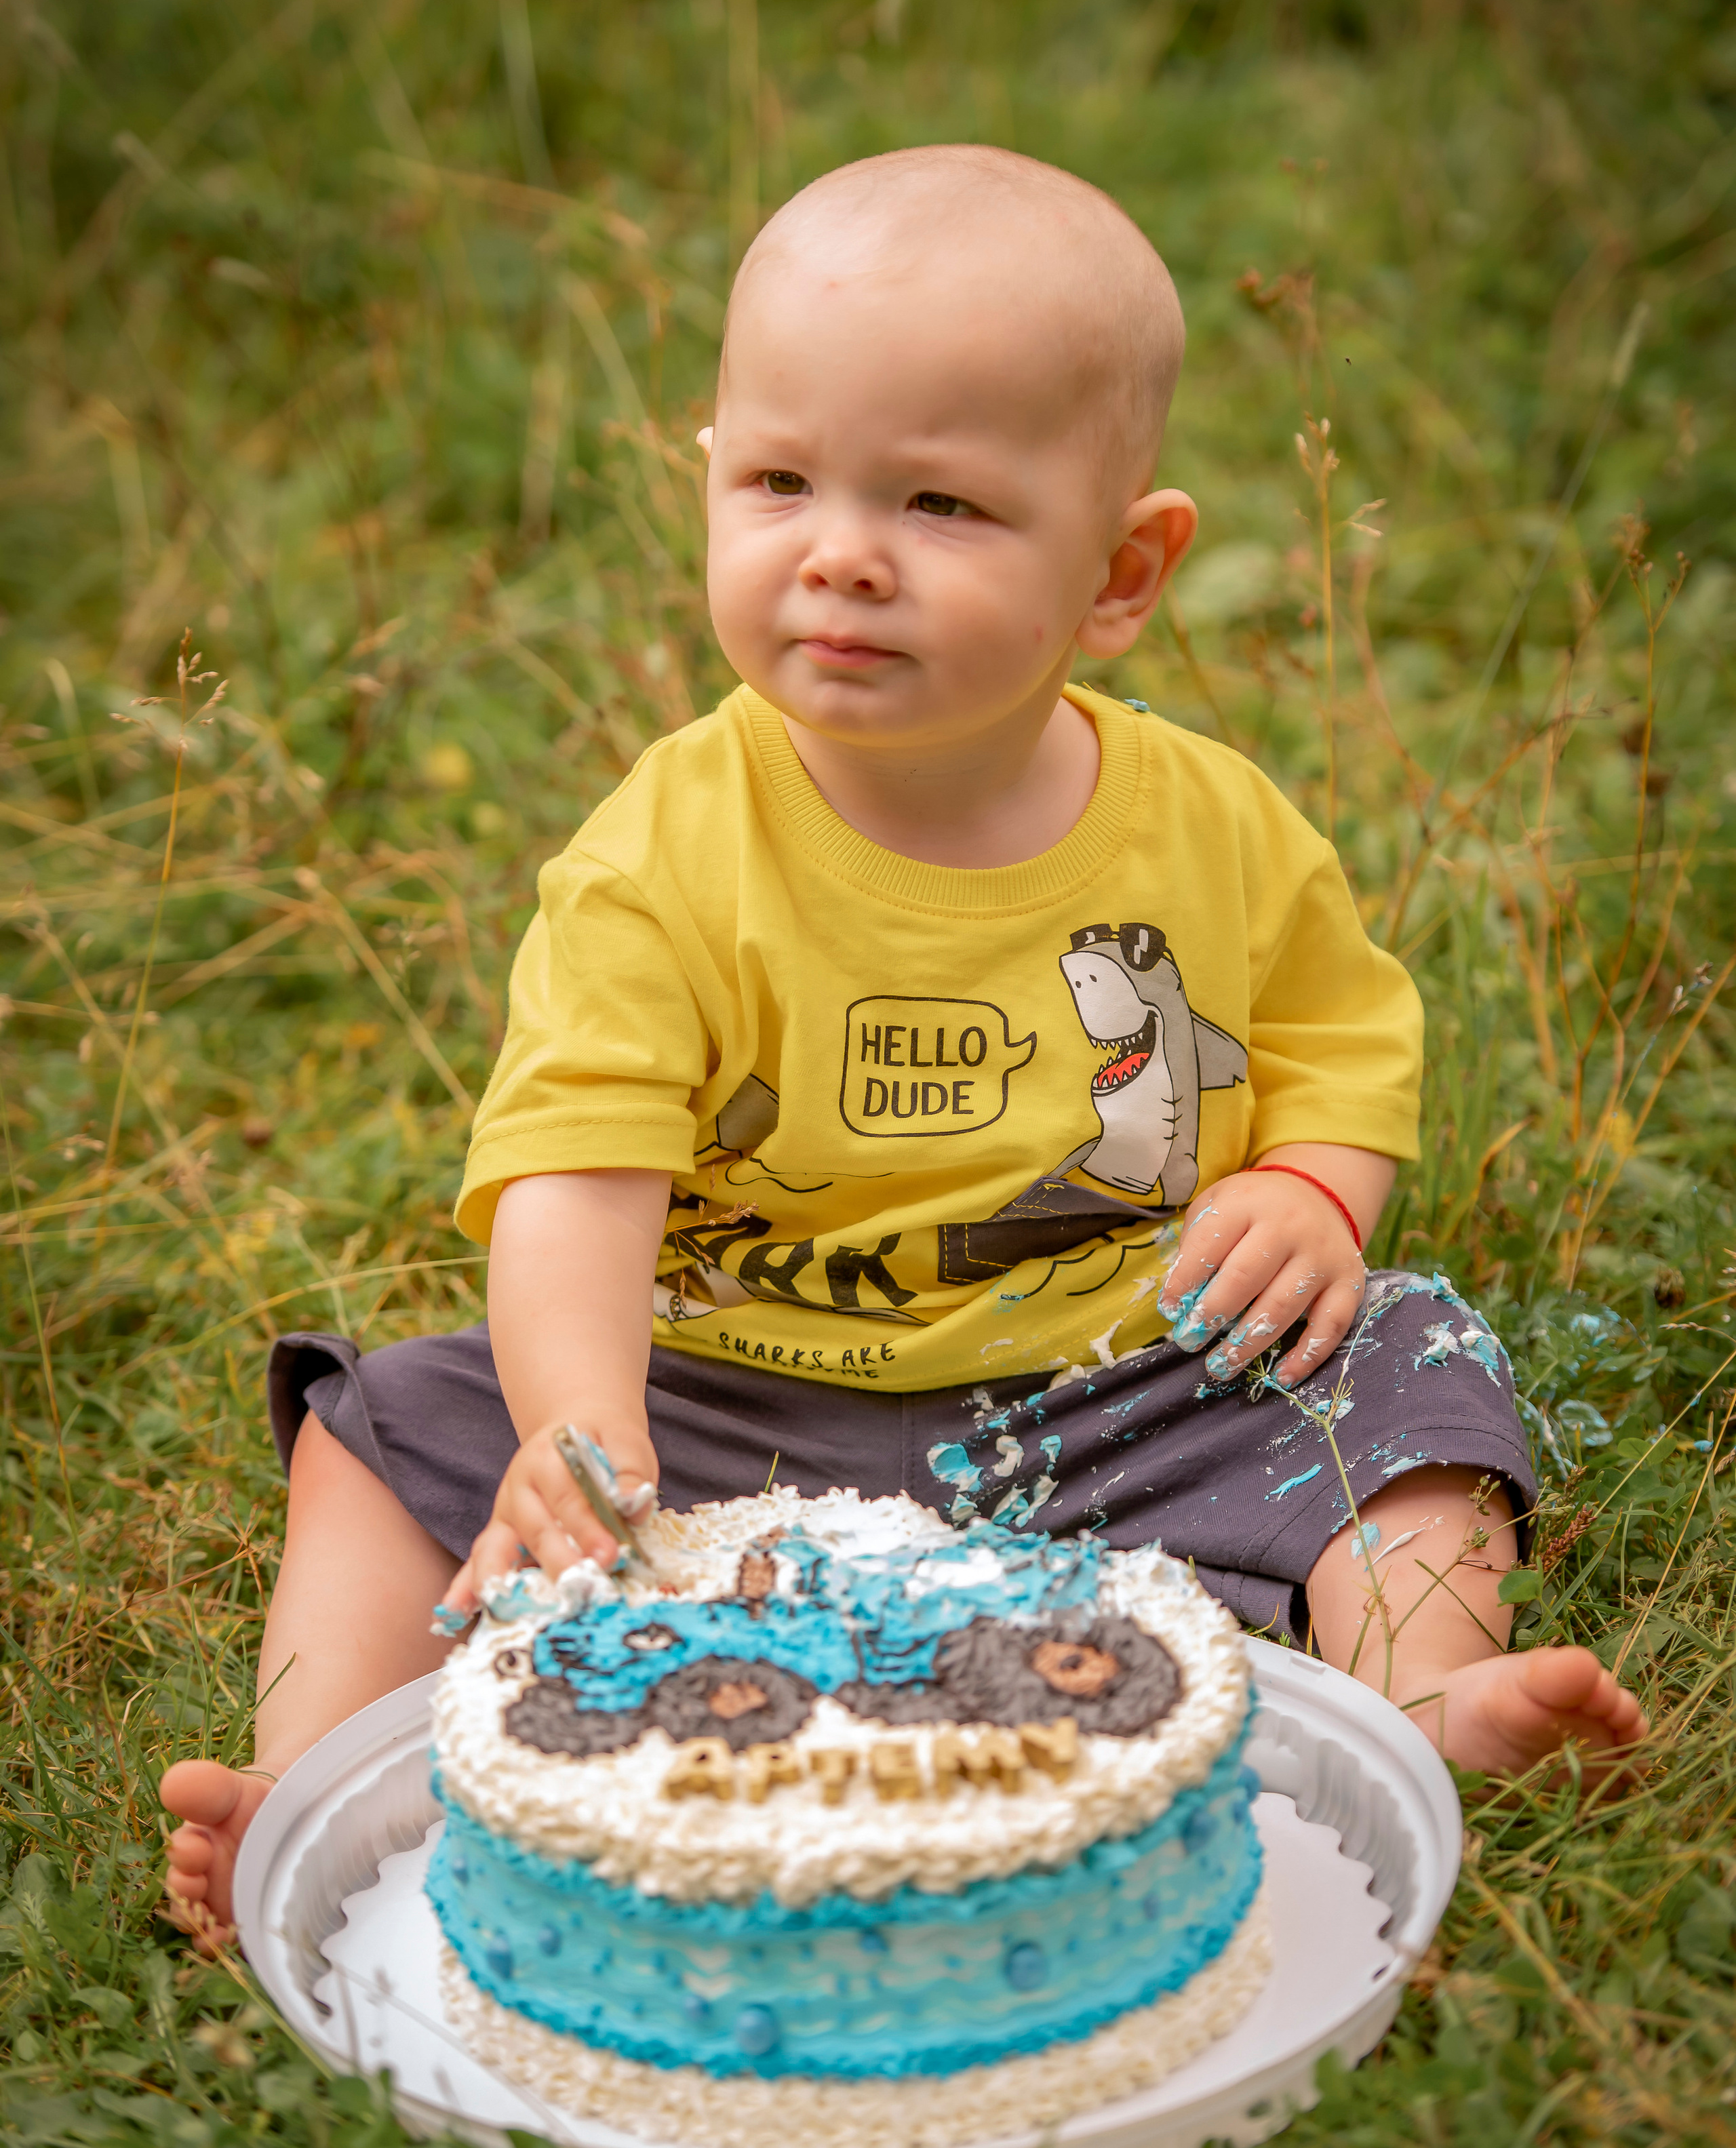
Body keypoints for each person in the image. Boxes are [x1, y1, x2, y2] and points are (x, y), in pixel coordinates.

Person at [161, 146, 1644, 1938]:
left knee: (1412, 1357)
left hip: (1106, 1395)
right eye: (782, 480)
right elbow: (581, 1176)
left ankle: (1419, 1706)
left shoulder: (1216, 831)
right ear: (711, 482)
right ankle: (328, 1788)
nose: (842, 554)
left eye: (939, 505)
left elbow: (1342, 1037)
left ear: (1121, 573)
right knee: (386, 1423)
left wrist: (1322, 1188)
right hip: (722, 1406)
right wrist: (582, 1436)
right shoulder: (669, 850)